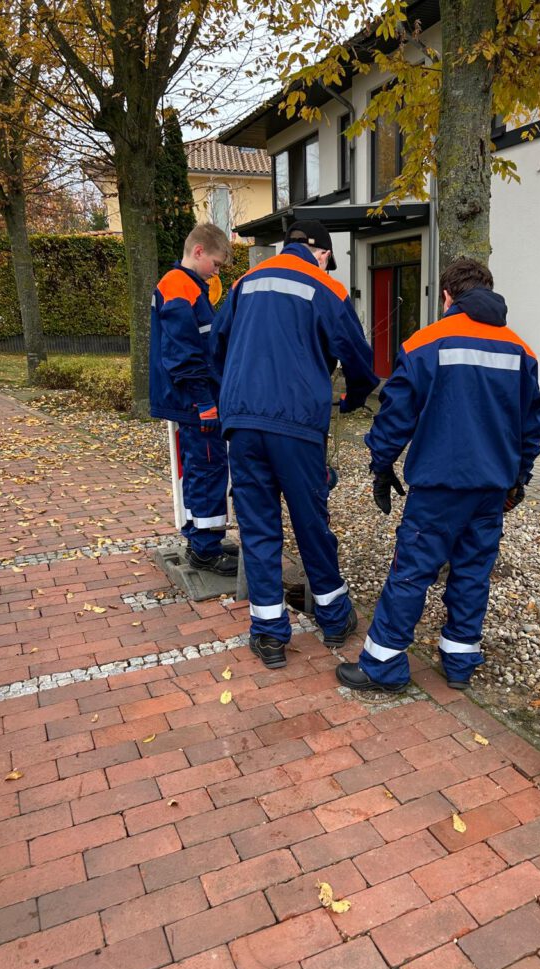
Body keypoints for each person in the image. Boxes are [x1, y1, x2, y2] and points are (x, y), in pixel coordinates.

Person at [337, 257, 540, 694]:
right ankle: (460, 660)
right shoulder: (520, 350)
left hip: (438, 485)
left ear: (447, 296)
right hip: (492, 488)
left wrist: (381, 464)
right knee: (472, 571)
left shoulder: (426, 342)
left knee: (412, 571)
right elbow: (531, 425)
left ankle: (383, 665)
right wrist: (519, 478)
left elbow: (396, 413)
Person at [211, 220, 379, 668]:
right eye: (329, 260)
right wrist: (353, 398)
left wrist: (231, 399)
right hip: (297, 424)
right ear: (321, 252)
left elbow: (216, 349)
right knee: (310, 521)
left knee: (258, 527)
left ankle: (269, 635)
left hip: (242, 423)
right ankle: (334, 617)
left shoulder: (244, 283)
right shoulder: (325, 288)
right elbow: (359, 359)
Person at [149, 223, 238, 575]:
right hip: (194, 401)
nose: (216, 272)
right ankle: (204, 550)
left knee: (202, 469)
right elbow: (183, 354)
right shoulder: (179, 287)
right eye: (215, 264)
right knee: (208, 468)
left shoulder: (186, 286)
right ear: (198, 251)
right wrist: (205, 401)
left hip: (190, 399)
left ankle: (203, 538)